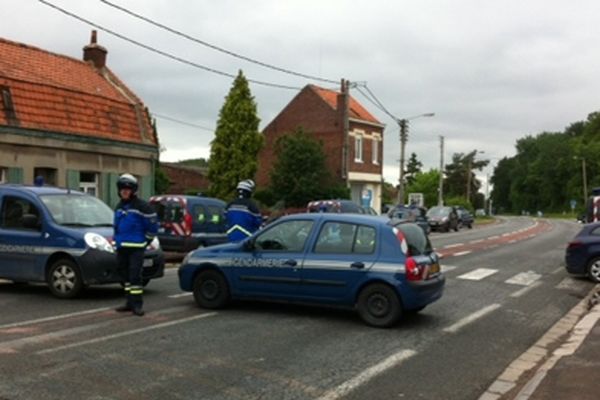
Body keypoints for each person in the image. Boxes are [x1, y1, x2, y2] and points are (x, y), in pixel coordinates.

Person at [113, 173, 158, 316]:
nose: (124, 191)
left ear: (133, 191)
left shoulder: (142, 206)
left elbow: (152, 228)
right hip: (122, 248)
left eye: (127, 189)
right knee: (125, 277)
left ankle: (137, 305)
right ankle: (128, 302)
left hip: (136, 249)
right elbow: (117, 227)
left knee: (135, 277)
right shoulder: (119, 206)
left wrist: (145, 242)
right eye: (122, 189)